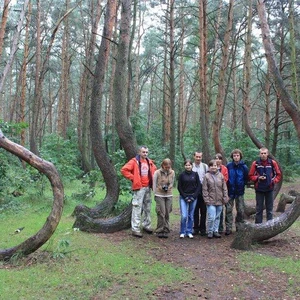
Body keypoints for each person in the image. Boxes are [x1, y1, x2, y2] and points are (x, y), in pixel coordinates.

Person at [121, 145, 157, 237]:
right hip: (139, 188)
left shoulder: (150, 162)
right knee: (137, 207)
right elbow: (124, 170)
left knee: (147, 208)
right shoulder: (134, 161)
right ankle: (135, 229)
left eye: (146, 152)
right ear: (139, 152)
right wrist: (133, 178)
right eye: (143, 152)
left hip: (148, 187)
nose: (145, 154)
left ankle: (146, 225)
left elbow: (155, 172)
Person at [248, 147, 282, 224]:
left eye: (265, 153)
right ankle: (258, 226)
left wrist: (273, 181)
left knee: (269, 209)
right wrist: (258, 178)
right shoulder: (255, 163)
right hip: (259, 189)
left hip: (269, 188)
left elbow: (278, 174)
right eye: (262, 153)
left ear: (267, 154)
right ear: (259, 154)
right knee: (259, 209)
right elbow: (250, 175)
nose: (263, 155)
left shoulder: (272, 163)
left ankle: (269, 226)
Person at [225, 149, 249, 235]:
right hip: (230, 191)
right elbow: (226, 178)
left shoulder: (244, 167)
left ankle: (239, 227)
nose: (236, 157)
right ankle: (228, 228)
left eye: (237, 155)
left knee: (240, 210)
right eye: (234, 156)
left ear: (240, 156)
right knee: (228, 210)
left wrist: (242, 185)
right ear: (232, 157)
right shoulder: (228, 166)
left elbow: (246, 178)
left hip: (240, 192)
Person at [202, 159, 228, 239]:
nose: (214, 167)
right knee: (211, 217)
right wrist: (206, 200)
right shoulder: (206, 176)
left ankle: (215, 231)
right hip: (210, 200)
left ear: (218, 166)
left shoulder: (221, 175)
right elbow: (204, 189)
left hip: (220, 200)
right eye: (212, 166)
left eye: (215, 166)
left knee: (217, 217)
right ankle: (210, 231)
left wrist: (225, 197)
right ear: (209, 167)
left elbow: (224, 188)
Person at [177, 159, 201, 239]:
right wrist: (185, 197)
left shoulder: (195, 174)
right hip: (184, 197)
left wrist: (194, 196)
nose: (188, 166)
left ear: (192, 166)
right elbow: (179, 187)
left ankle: (189, 231)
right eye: (186, 165)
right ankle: (182, 231)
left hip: (193, 197)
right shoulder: (181, 175)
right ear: (184, 166)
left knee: (191, 215)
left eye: (189, 165)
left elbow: (198, 186)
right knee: (184, 215)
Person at [152, 158, 175, 238]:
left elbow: (172, 182)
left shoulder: (172, 172)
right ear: (163, 165)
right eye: (166, 167)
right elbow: (154, 184)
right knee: (161, 212)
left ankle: (166, 228)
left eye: (169, 167)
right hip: (159, 195)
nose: (167, 168)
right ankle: (160, 229)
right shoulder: (157, 172)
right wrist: (155, 194)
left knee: (167, 212)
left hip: (168, 194)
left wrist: (169, 187)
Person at [192, 151, 208, 236]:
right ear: (194, 157)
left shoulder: (205, 166)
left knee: (203, 210)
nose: (198, 158)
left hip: (203, 189)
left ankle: (203, 228)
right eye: (197, 157)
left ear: (202, 157)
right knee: (195, 210)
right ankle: (195, 228)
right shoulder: (191, 166)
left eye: (200, 157)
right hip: (194, 190)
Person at [215, 153, 228, 233]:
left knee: (221, 210)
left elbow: (226, 179)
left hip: (222, 191)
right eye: (216, 158)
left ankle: (220, 228)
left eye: (219, 159)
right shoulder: (212, 168)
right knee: (213, 211)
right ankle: (213, 228)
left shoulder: (224, 169)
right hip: (213, 192)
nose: (218, 160)